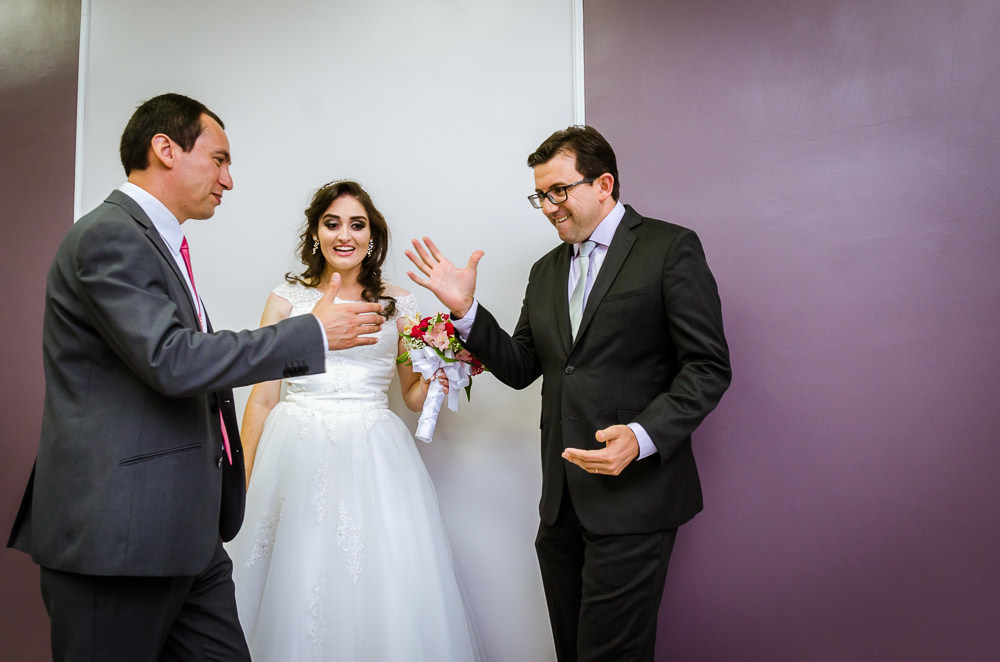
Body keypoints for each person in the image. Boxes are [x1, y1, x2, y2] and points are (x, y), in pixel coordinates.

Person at [6, 93, 385, 662]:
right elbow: (173, 359)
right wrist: (312, 334)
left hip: (185, 533)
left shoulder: (154, 241)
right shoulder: (109, 235)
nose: (228, 180)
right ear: (165, 149)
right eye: (219, 159)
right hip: (120, 537)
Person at [406, 125, 731, 662]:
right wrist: (466, 312)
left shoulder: (669, 248)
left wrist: (642, 436)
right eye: (540, 195)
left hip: (635, 500)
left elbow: (708, 367)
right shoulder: (545, 271)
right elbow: (521, 367)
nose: (549, 207)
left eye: (559, 190)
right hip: (560, 509)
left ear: (604, 184)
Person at [225, 180, 483, 661]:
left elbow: (411, 396)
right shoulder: (286, 300)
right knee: (293, 574)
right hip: (295, 451)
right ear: (316, 232)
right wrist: (243, 484)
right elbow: (261, 400)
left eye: (357, 225)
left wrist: (443, 370)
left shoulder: (399, 304)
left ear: (372, 236)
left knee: (378, 581)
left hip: (372, 455)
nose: (345, 235)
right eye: (332, 223)